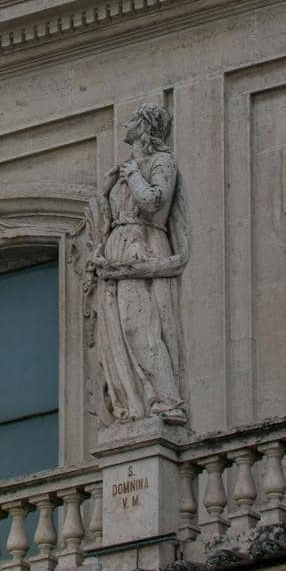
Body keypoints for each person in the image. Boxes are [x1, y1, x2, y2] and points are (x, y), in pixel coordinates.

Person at [86, 103, 191, 427]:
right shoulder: (124, 169)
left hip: (142, 247)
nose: (126, 124)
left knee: (139, 326)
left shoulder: (163, 162)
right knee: (115, 334)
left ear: (144, 127)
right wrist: (105, 193)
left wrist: (131, 175)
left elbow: (153, 201)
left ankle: (167, 400)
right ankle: (133, 404)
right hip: (118, 249)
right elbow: (108, 219)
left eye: (133, 119)